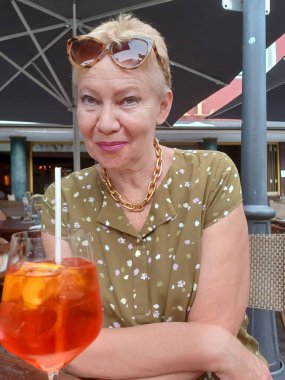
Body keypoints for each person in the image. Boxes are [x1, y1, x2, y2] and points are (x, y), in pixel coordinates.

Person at [41, 13, 271, 380]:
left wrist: (213, 346)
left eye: (128, 100)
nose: (104, 123)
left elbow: (215, 330)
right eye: (90, 100)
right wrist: (215, 350)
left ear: (162, 106)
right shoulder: (62, 199)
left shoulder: (211, 176)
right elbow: (68, 346)